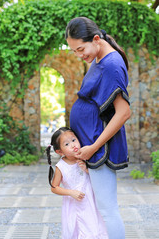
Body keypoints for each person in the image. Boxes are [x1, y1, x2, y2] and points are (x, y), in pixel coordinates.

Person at [65, 17, 131, 239]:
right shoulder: (98, 56)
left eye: (81, 49)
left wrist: (93, 147)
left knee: (108, 209)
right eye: (74, 51)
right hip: (91, 143)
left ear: (95, 39)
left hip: (101, 148)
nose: (79, 55)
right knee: (99, 208)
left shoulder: (111, 65)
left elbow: (123, 113)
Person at [46, 127, 108, 239]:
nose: (73, 145)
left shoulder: (85, 157)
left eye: (74, 140)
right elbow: (54, 187)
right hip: (73, 204)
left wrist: (86, 169)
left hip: (91, 201)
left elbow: (97, 178)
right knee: (76, 230)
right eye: (67, 144)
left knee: (95, 228)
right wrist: (70, 192)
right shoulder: (61, 166)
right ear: (59, 151)